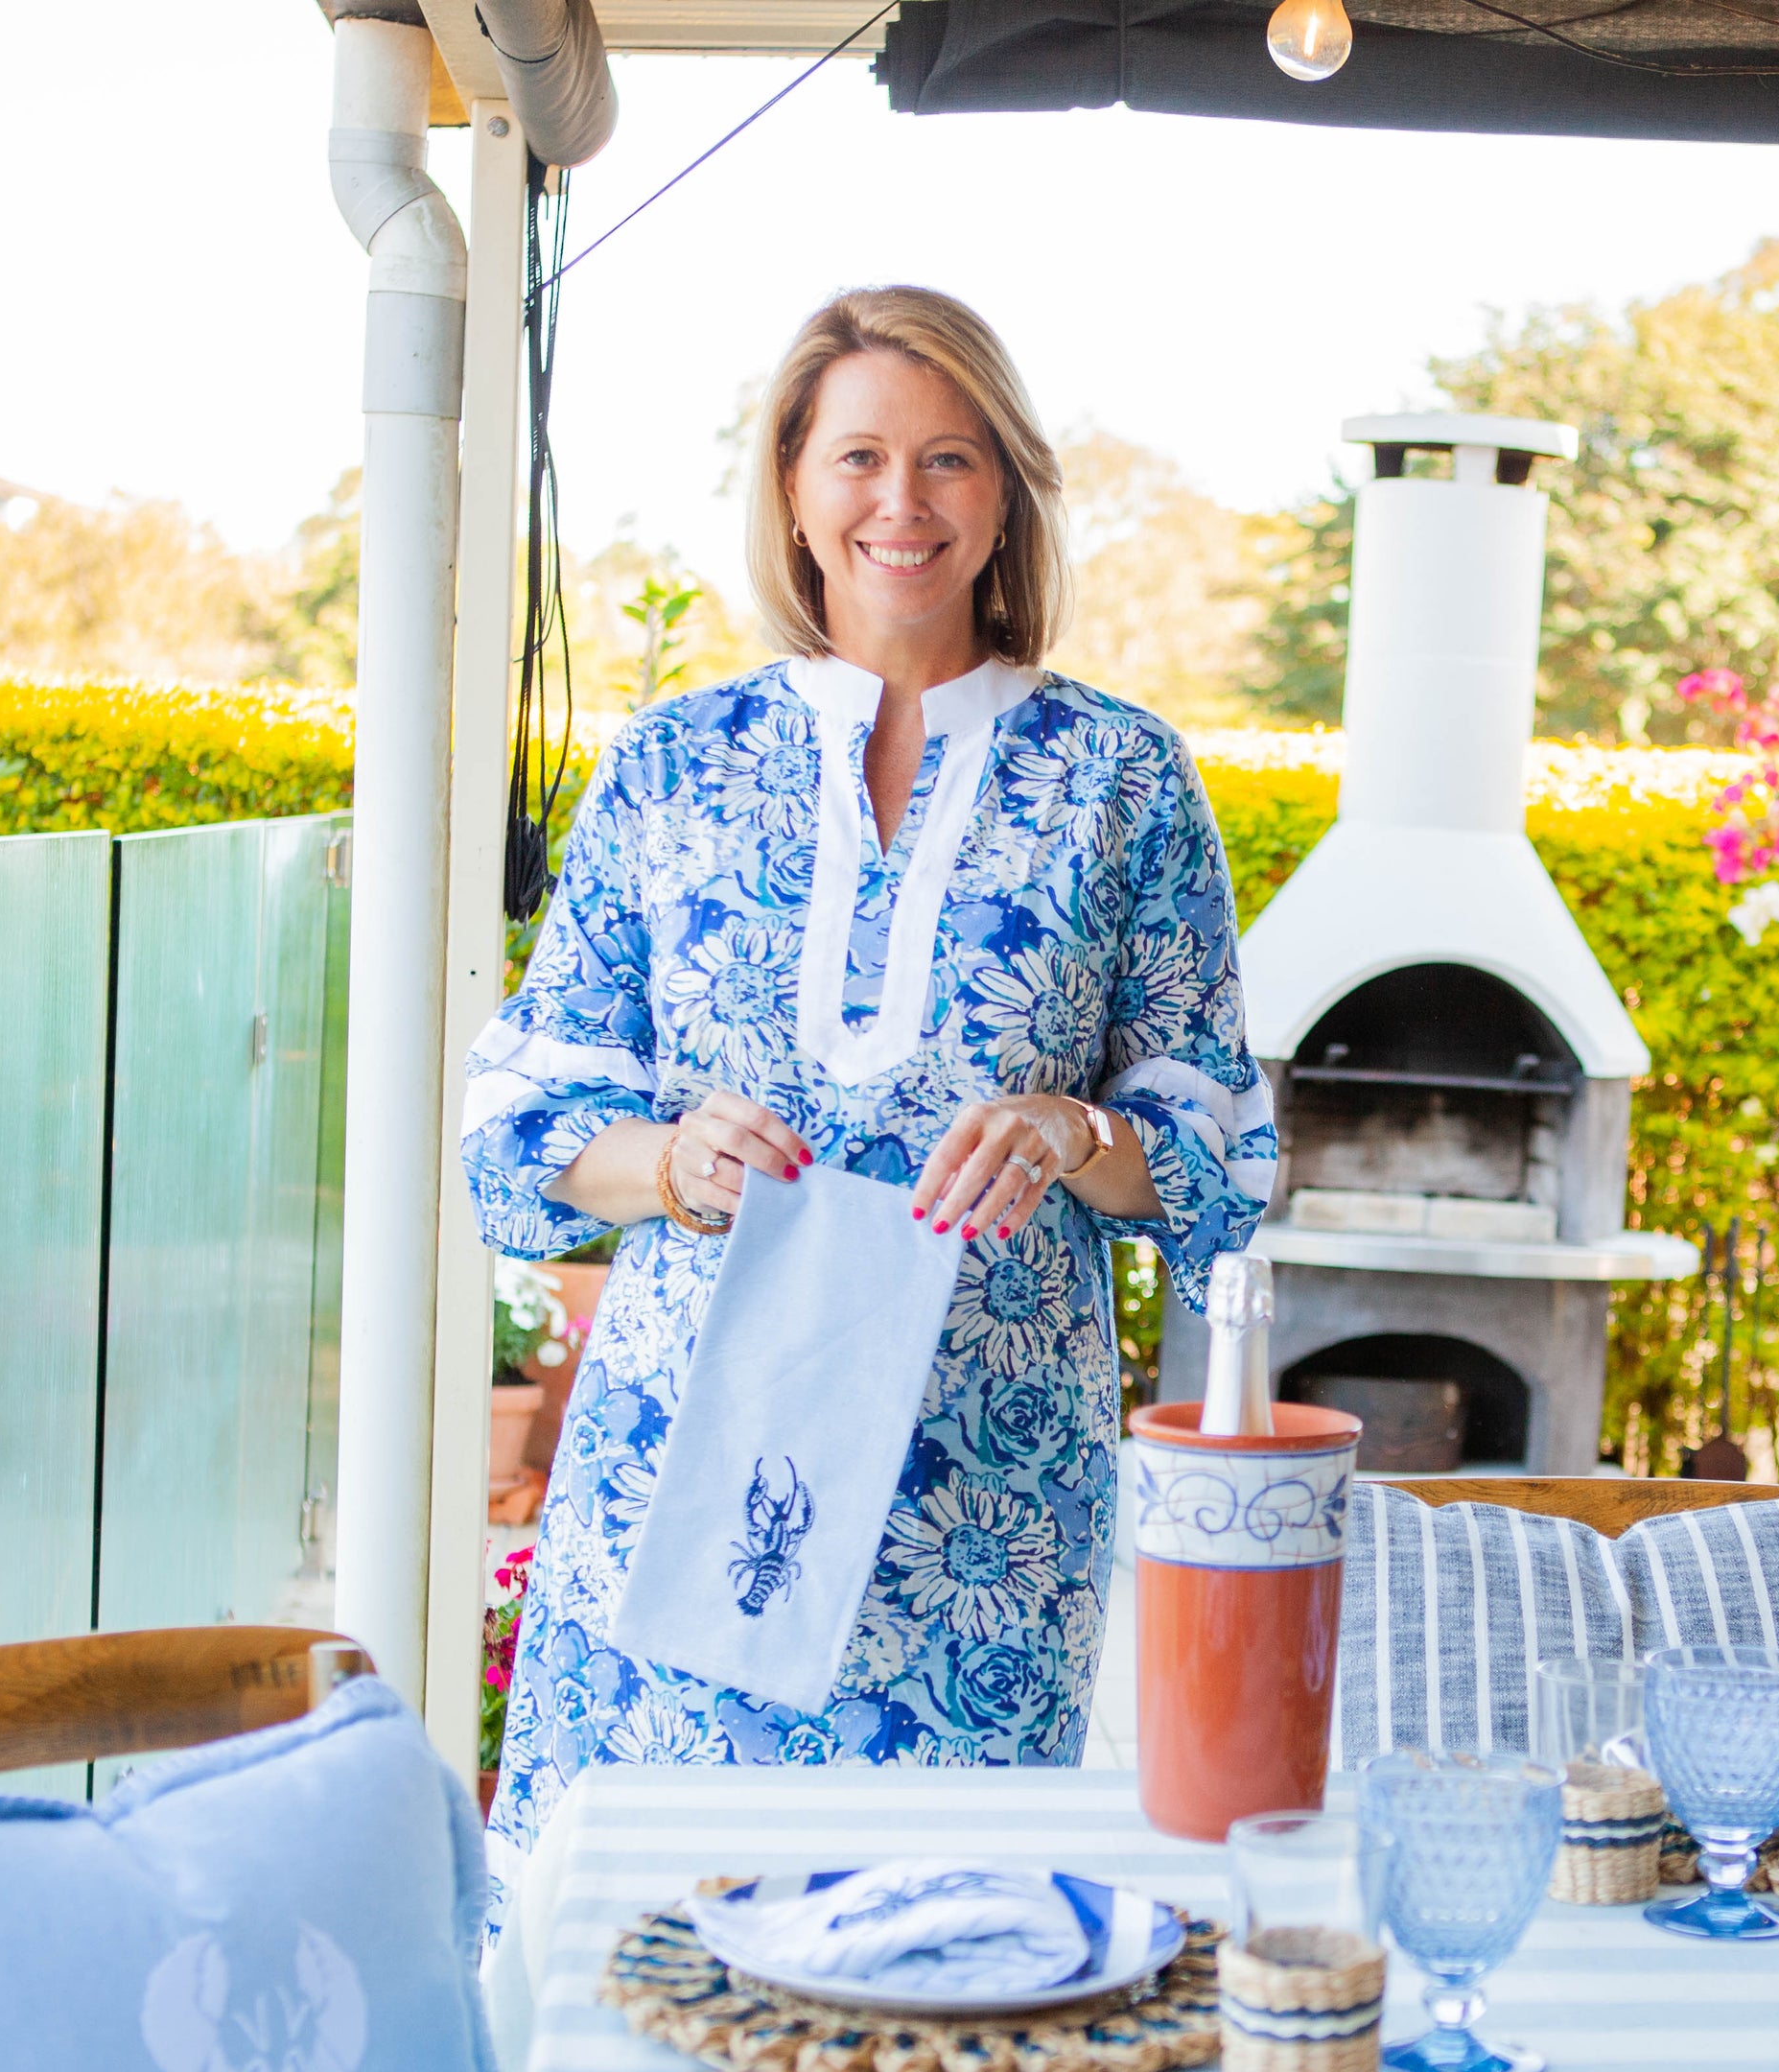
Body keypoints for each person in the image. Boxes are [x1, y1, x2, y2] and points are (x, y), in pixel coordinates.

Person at [457, 287, 1273, 1909]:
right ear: (792, 487)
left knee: (946, 1939)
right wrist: (674, 1159)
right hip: (693, 1459)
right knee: (657, 1946)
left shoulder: (1126, 778)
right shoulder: (672, 765)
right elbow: (521, 1125)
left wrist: (1080, 1132)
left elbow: (1221, 1154)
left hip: (988, 1489)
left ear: (1006, 493)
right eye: (861, 458)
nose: (901, 504)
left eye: (949, 459)